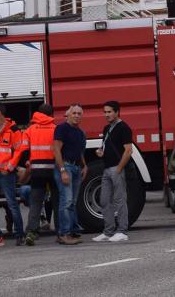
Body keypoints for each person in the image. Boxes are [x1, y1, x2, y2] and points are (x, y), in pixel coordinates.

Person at [0, 103, 28, 247]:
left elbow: (20, 151)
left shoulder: (13, 130)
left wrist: (9, 168)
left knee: (12, 204)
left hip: (5, 174)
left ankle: (20, 235)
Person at [93, 100, 133, 242]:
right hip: (106, 169)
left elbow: (128, 151)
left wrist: (119, 169)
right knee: (104, 200)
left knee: (119, 200)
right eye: (105, 112)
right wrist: (101, 152)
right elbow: (107, 147)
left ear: (117, 112)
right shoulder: (106, 128)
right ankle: (108, 231)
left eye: (109, 112)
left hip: (117, 169)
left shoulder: (124, 128)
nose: (107, 114)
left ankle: (122, 230)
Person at [22, 103, 58, 246]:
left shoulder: (30, 129)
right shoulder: (55, 129)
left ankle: (32, 231)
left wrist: (27, 162)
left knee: (36, 202)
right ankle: (61, 231)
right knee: (57, 201)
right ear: (50, 115)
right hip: (53, 169)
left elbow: (24, 149)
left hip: (36, 170)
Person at [53, 103, 87, 244]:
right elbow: (56, 150)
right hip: (65, 166)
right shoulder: (61, 129)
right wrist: (62, 171)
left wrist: (84, 165)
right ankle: (63, 234)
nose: (77, 116)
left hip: (76, 168)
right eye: (74, 113)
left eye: (79, 114)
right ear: (68, 114)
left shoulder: (80, 132)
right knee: (66, 201)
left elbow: (79, 151)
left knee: (72, 202)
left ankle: (73, 232)